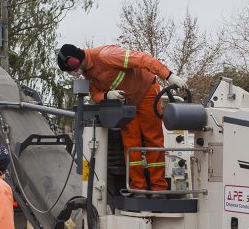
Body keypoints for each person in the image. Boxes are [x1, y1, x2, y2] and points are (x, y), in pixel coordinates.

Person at [56, 43, 188, 197]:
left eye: (71, 70)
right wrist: (106, 96)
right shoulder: (87, 73)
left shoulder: (107, 55)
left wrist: (169, 76)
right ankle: (138, 188)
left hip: (146, 93)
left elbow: (144, 59)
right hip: (126, 103)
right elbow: (95, 94)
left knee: (153, 139)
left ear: (74, 60)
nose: (73, 73)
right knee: (131, 143)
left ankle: (158, 189)